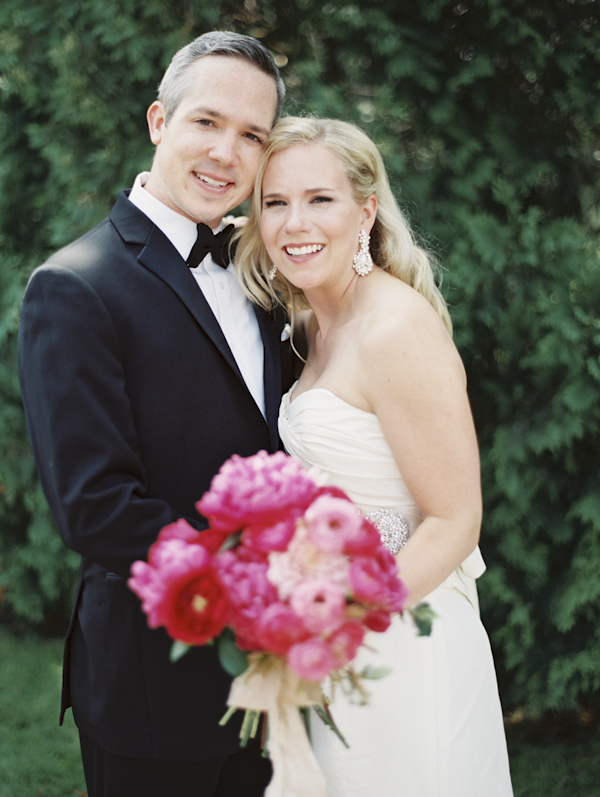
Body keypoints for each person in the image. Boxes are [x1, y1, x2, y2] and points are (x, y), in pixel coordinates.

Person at [17, 32, 292, 797]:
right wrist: (264, 598)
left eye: (252, 136)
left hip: (284, 687)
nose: (226, 153)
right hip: (153, 690)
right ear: (158, 122)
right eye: (207, 121)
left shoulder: (268, 270)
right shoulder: (74, 285)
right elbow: (95, 504)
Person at [236, 116, 514, 796]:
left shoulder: (395, 328)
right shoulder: (315, 323)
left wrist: (338, 625)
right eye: (275, 202)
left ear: (365, 210)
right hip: (340, 641)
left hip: (404, 643)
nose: (294, 223)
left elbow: (454, 519)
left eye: (319, 199)